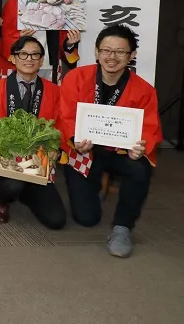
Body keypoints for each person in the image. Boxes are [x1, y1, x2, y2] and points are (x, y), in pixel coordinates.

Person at [59, 25, 162, 257]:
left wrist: (141, 146)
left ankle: (123, 227)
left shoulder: (144, 90)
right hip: (84, 151)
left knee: (140, 170)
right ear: (96, 52)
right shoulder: (76, 78)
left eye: (119, 52)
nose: (111, 57)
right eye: (106, 50)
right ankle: (97, 185)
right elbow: (65, 115)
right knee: (87, 218)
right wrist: (75, 139)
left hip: (120, 152)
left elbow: (150, 127)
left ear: (131, 55)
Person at [0, 36, 67, 230]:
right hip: (6, 160)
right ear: (13, 59)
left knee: (56, 220)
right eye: (23, 54)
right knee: (12, 185)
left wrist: (56, 148)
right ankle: (3, 199)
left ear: (41, 60)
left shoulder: (54, 91)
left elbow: (62, 126)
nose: (29, 59)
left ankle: (26, 192)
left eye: (35, 55)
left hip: (38, 163)